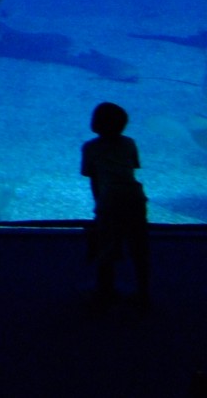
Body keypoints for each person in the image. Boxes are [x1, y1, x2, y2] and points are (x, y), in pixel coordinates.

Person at [81, 101, 149, 307]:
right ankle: (144, 291)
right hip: (135, 196)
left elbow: (94, 179)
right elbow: (130, 170)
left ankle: (105, 290)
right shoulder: (129, 143)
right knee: (139, 246)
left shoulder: (90, 147)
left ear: (95, 124)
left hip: (110, 199)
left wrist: (99, 205)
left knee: (106, 245)